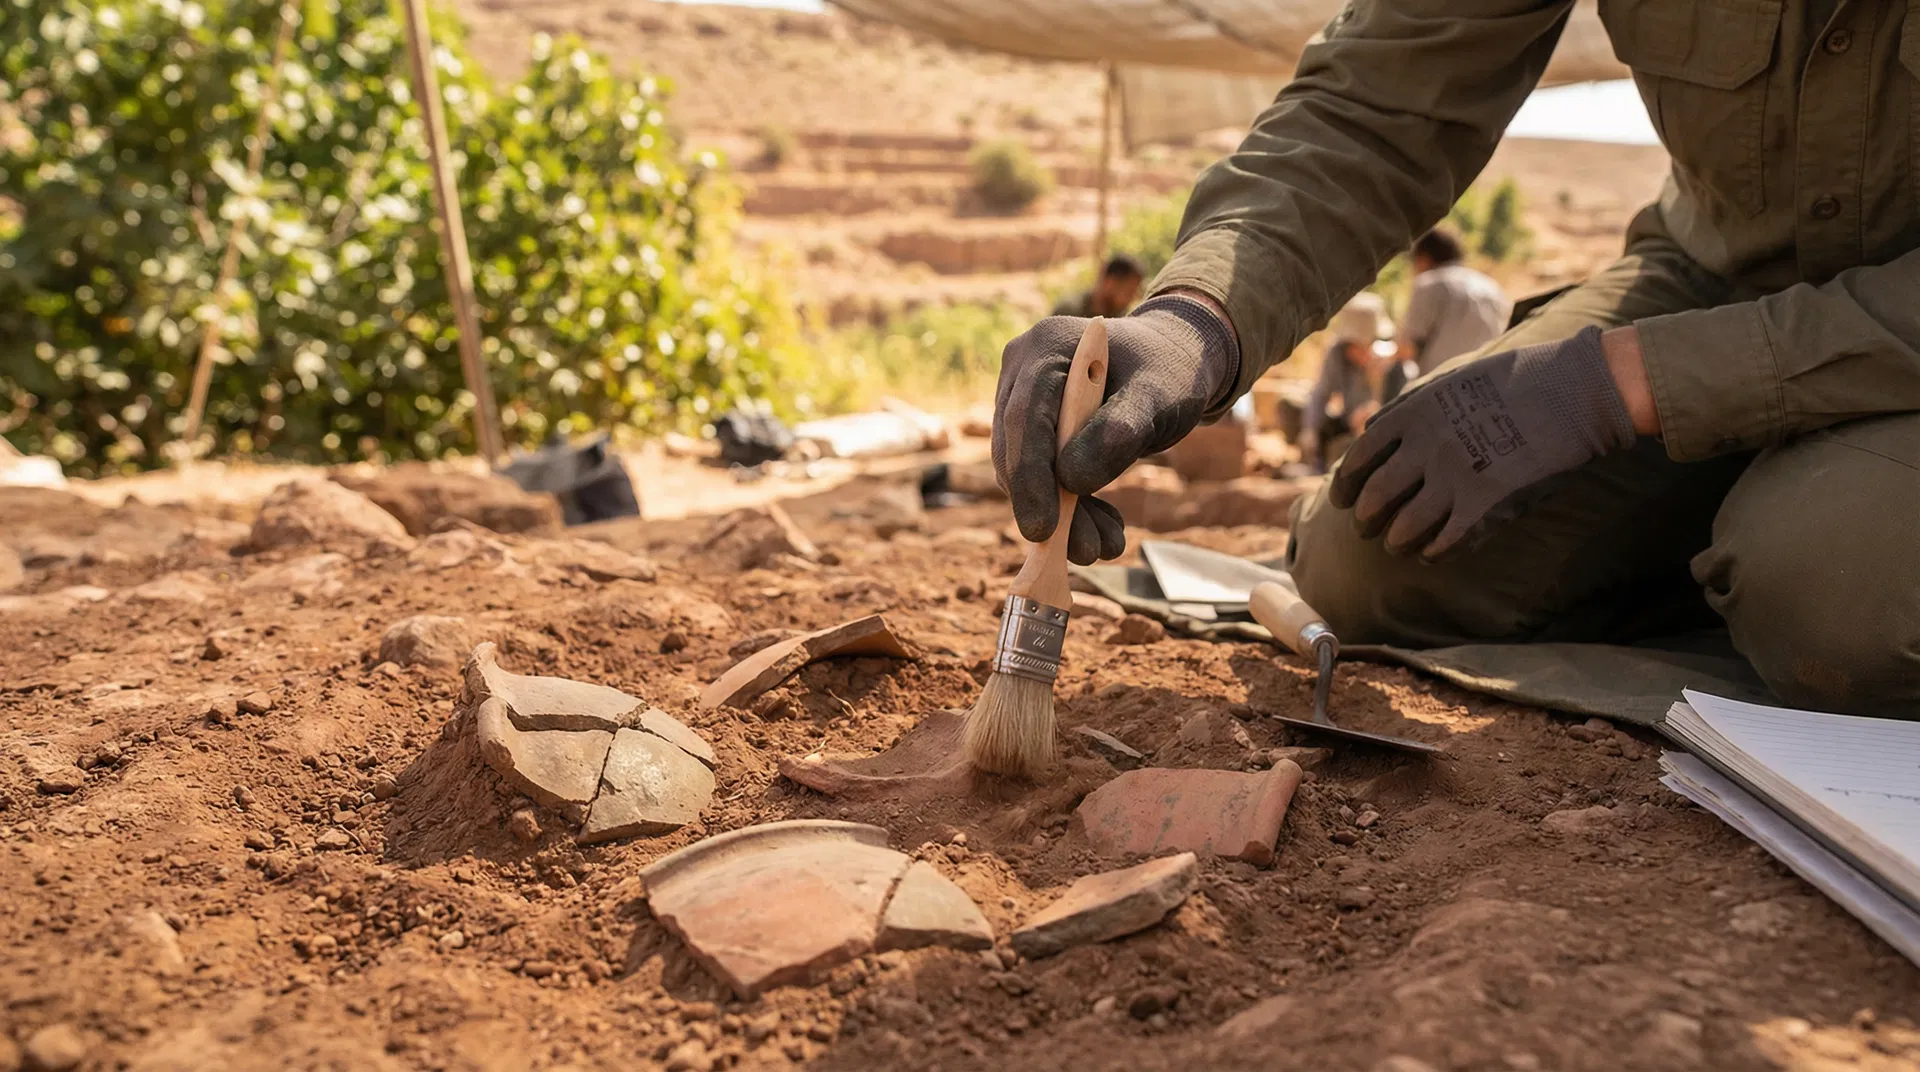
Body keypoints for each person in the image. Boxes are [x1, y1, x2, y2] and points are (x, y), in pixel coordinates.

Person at [990, 0, 1920, 716]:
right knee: (1372, 554)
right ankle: (1725, 535)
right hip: (1719, 271)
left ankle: (1768, 541)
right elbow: (1375, 107)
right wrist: (1198, 321)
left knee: (1831, 602)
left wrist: (1628, 385)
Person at [1298, 292, 1398, 471]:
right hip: (1347, 420)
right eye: (1352, 344)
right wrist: (1310, 429)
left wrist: (1374, 411)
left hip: (1376, 432)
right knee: (1296, 410)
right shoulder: (1337, 354)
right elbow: (1321, 394)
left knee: (1343, 449)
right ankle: (1313, 469)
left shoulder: (1394, 361)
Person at [1397, 228, 1511, 376]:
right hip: (1483, 380)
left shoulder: (1429, 283)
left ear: (1423, 259)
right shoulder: (1492, 287)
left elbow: (1406, 348)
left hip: (1438, 383)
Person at [1051, 254, 1146, 318]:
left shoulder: (1121, 317)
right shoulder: (1069, 312)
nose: (1131, 299)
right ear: (1111, 283)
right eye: (1129, 292)